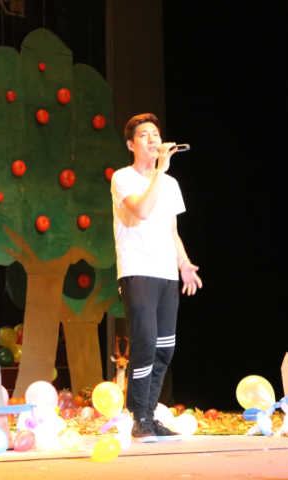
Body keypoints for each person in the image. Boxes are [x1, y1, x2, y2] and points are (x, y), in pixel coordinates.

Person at [110, 113, 202, 437]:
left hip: (166, 273)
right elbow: (142, 210)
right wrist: (160, 171)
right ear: (131, 145)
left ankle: (148, 416)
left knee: (165, 347)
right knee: (145, 343)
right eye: (144, 135)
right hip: (137, 270)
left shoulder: (170, 184)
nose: (152, 139)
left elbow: (171, 229)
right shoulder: (123, 177)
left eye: (155, 134)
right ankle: (138, 416)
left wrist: (184, 263)